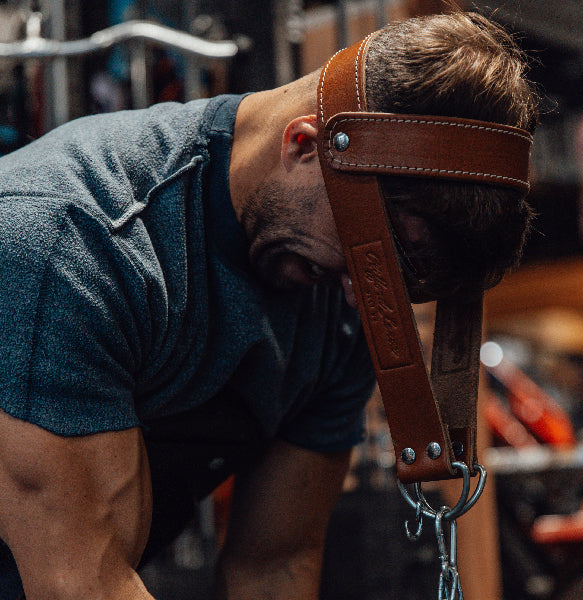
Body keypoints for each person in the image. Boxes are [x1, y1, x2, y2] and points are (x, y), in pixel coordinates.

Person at [0, 11, 537, 600]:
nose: (363, 296)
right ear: (305, 145)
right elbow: (82, 586)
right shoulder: (64, 242)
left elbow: (274, 568)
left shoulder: (342, 295)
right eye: (371, 258)